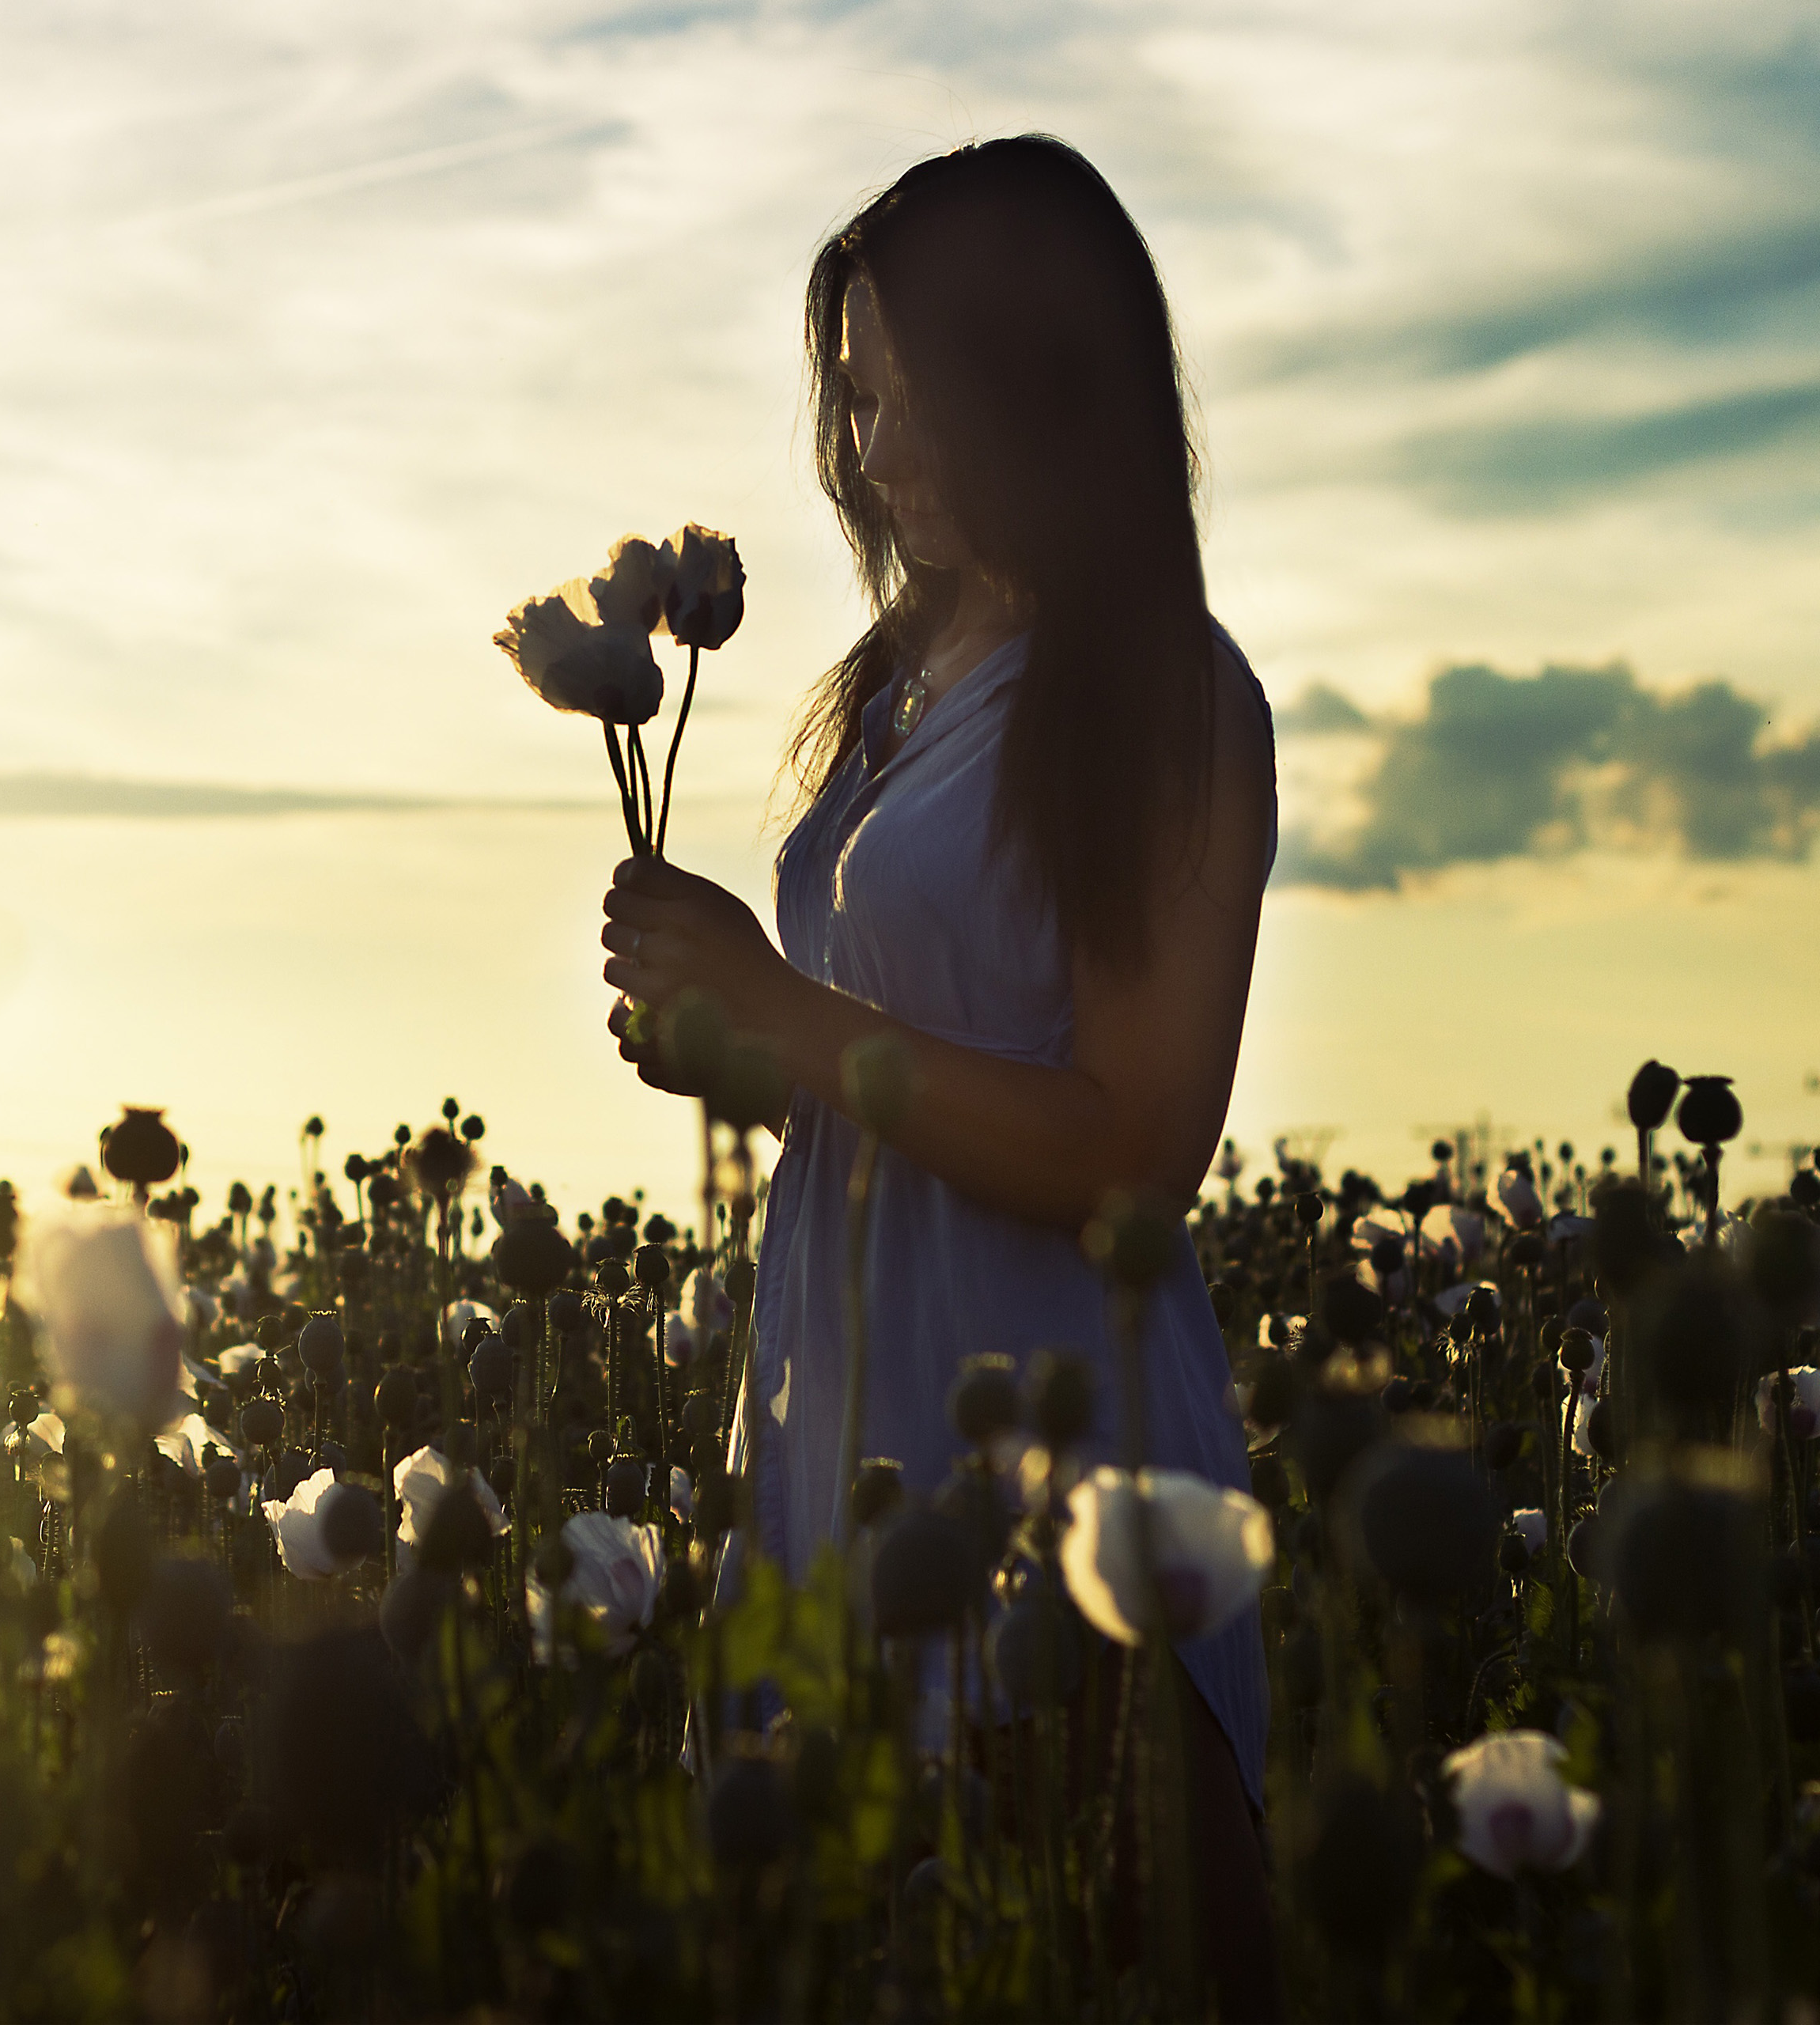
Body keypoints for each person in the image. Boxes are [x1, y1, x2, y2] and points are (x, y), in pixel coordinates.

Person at [596, 135, 1278, 2013]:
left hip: (1059, 1451)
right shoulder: (896, 682)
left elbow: (1137, 1147)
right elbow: (900, 1050)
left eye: (897, 395)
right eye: (853, 397)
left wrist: (792, 1017)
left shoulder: (1164, 690)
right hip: (838, 1425)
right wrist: (739, 1039)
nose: (866, 450)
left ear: (1029, 385)